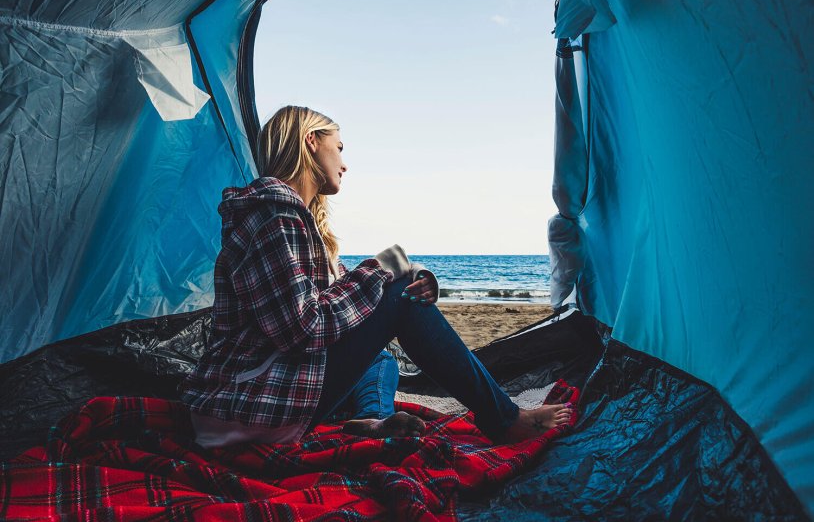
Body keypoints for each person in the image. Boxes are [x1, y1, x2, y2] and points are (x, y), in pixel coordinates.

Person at [179, 105, 573, 448]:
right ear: (311, 141)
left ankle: (371, 420)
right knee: (401, 298)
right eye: (340, 148)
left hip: (257, 394)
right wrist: (389, 270)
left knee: (382, 359)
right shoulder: (274, 214)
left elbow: (343, 297)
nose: (345, 163)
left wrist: (414, 272)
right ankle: (504, 420)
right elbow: (303, 329)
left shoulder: (287, 217)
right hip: (249, 404)